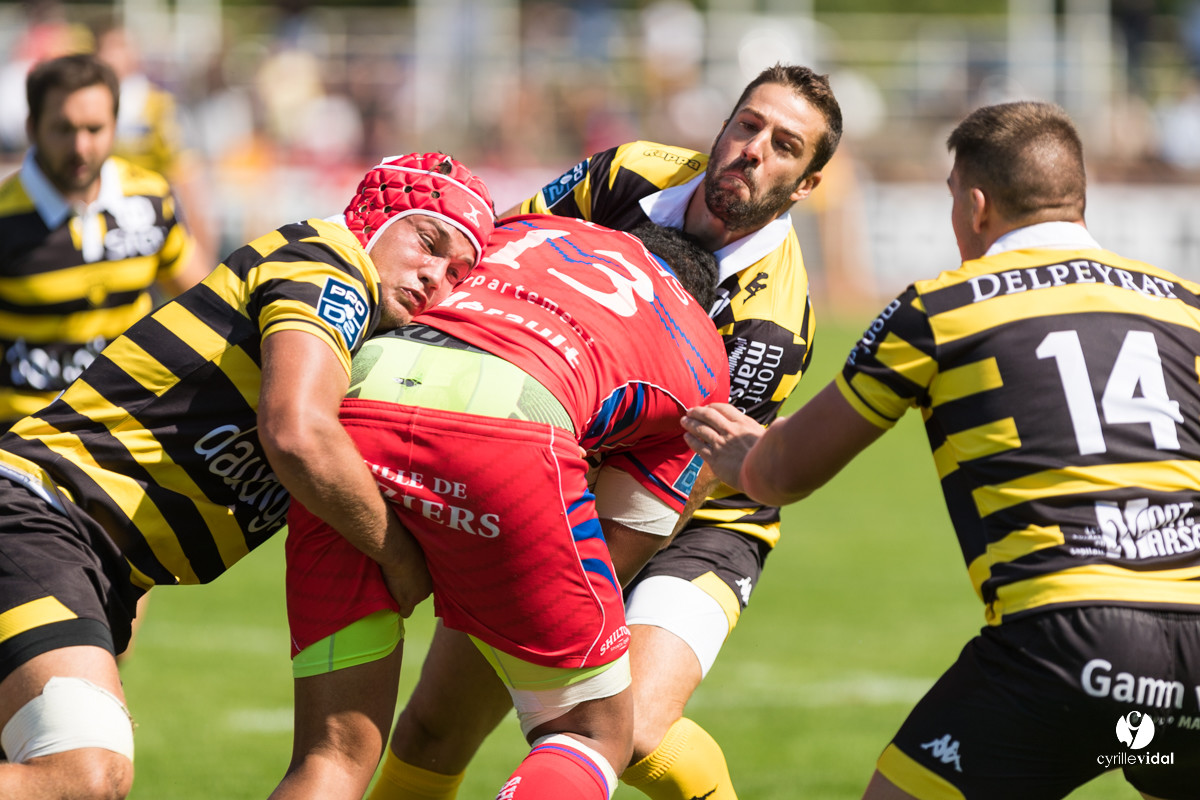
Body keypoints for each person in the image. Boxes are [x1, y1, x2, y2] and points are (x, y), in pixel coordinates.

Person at [683, 100, 1200, 800]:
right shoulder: (1185, 306)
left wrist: (745, 453)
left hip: (1062, 642)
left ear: (977, 205)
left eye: (952, 200)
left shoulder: (940, 309)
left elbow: (782, 474)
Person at [371, 62, 844, 800]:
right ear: (722, 127)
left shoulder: (772, 325)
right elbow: (502, 256)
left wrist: (536, 595)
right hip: (551, 464)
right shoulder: (627, 174)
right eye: (748, 124)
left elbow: (675, 486)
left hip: (696, 514)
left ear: (806, 184)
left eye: (785, 145)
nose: (755, 149)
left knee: (633, 732)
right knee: (434, 729)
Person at [0, 151, 494, 800]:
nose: (436, 276)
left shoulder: (358, 324)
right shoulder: (332, 267)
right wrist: (401, 559)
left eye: (458, 272)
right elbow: (297, 432)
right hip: (41, 517)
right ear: (375, 217)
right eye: (428, 242)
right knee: (84, 774)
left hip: (86, 552)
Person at [273, 215, 731, 800]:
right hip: (510, 427)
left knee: (330, 756)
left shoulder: (528, 229)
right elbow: (623, 541)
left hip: (357, 403)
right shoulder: (701, 346)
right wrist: (497, 591)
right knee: (593, 731)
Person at [0, 52, 203, 428]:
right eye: (63, 129)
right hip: (20, 443)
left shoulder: (152, 199)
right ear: (32, 127)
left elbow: (206, 309)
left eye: (94, 129)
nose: (80, 147)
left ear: (115, 126)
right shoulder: (5, 217)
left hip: (125, 430)